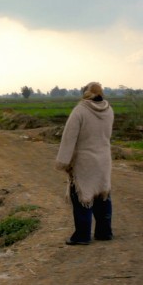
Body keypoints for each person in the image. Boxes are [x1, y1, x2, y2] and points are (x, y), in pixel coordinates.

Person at [56, 82, 114, 245]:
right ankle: (104, 232)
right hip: (104, 160)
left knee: (83, 198)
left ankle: (82, 236)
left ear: (85, 93)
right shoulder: (109, 110)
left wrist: (63, 162)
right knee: (103, 195)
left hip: (84, 162)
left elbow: (69, 138)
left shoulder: (80, 110)